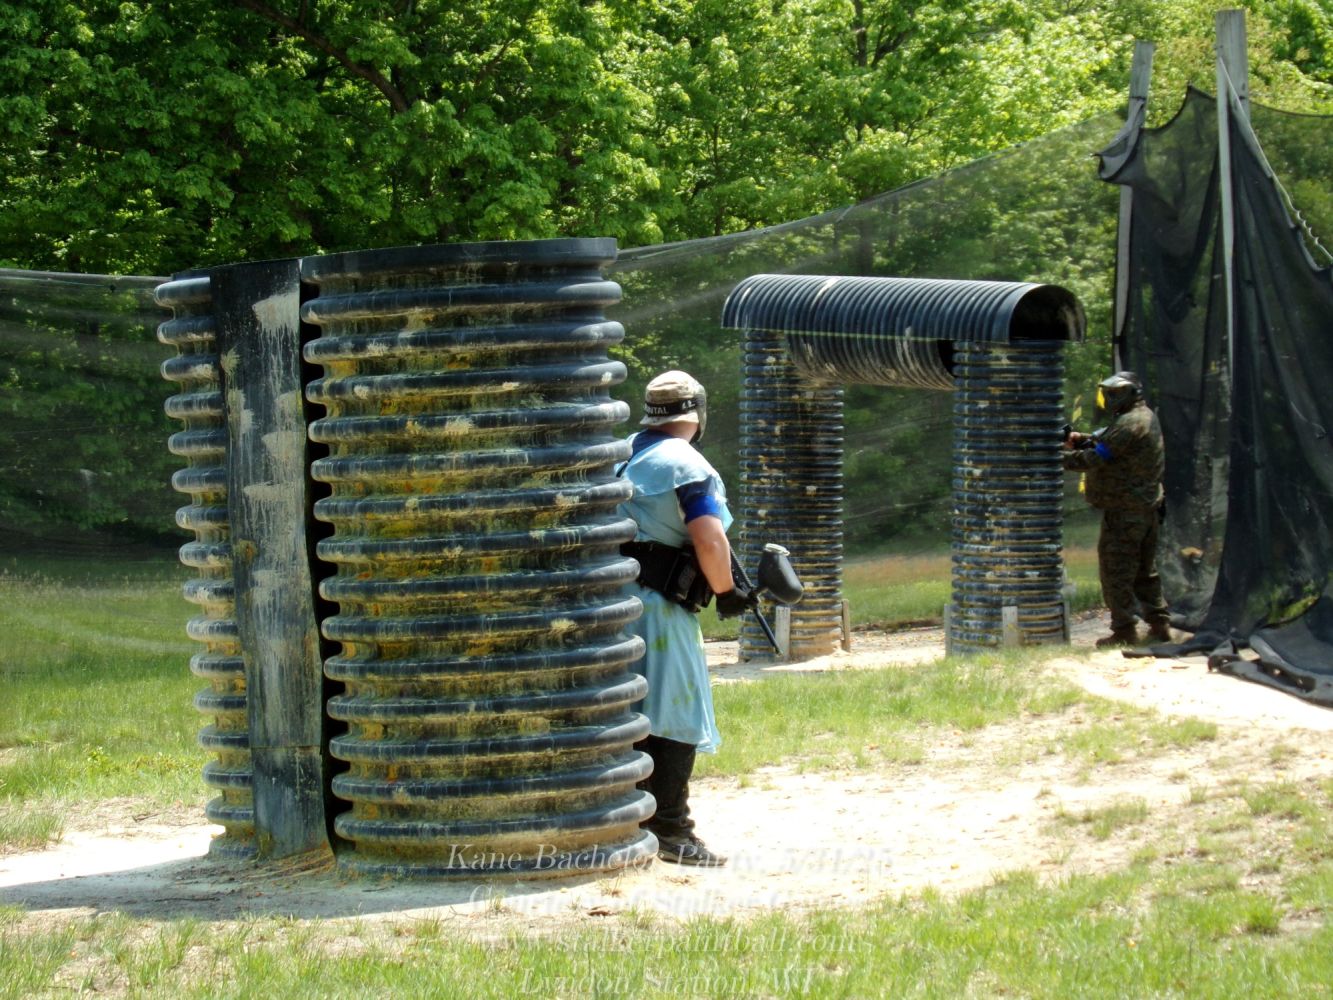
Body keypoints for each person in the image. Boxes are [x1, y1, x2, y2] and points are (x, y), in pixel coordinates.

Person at [616, 370, 752, 867]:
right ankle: (672, 831)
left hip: (610, 604)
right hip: (659, 609)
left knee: (625, 712)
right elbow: (709, 538)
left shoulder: (622, 452)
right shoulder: (685, 462)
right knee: (676, 713)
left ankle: (631, 818)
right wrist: (728, 592)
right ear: (696, 411)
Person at [1062, 371, 1173, 648]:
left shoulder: (1130, 422)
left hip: (1126, 512)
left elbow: (1096, 457)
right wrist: (1082, 438)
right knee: (1144, 572)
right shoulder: (1142, 417)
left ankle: (1124, 630)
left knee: (1116, 571)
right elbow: (1109, 444)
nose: (1110, 398)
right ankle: (1159, 624)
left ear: (1132, 393)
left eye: (1116, 393)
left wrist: (1054, 457)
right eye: (1109, 393)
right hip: (1145, 508)